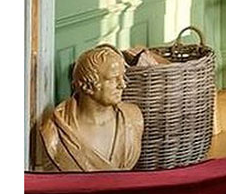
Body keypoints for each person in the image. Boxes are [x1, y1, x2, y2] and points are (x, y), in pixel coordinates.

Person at [31, 44, 144, 172]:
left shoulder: (133, 119)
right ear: (87, 85)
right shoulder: (55, 133)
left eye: (122, 77)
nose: (122, 85)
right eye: (113, 79)